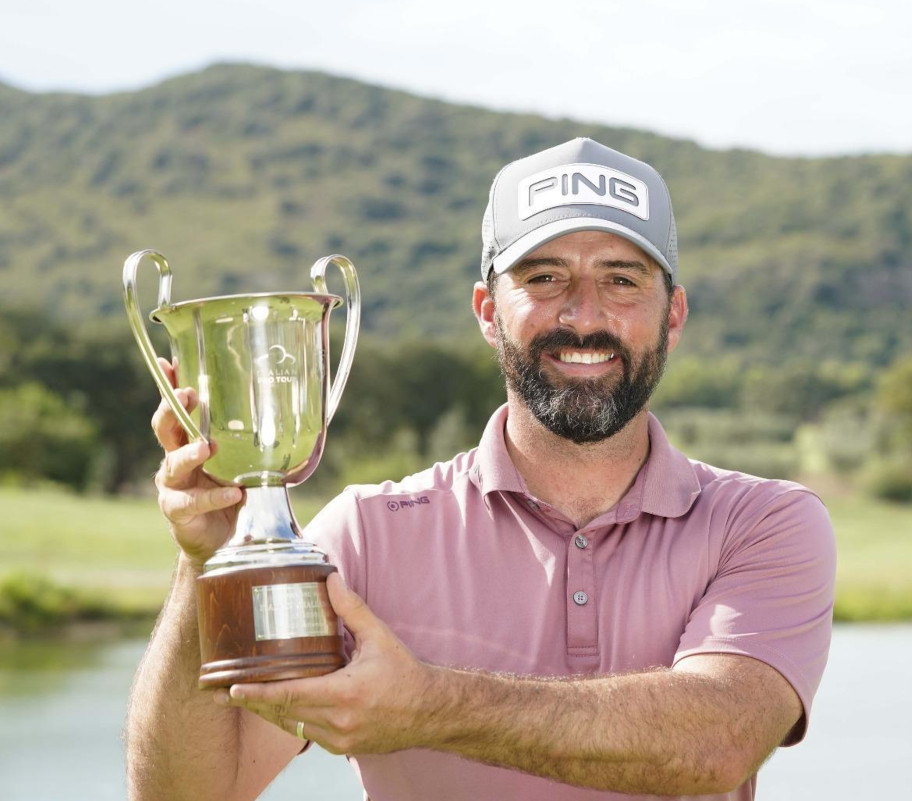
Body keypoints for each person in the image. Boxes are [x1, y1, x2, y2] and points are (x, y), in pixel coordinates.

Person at [125, 138, 836, 801]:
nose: (583, 315)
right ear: (488, 311)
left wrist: (428, 706)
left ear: (672, 314)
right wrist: (205, 565)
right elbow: (186, 795)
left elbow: (715, 741)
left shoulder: (765, 523)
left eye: (622, 279)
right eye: (544, 276)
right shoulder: (365, 536)